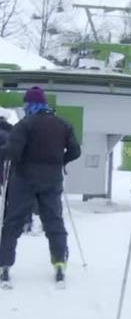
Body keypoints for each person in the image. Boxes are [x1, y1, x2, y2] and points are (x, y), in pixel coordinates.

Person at [0, 86, 80, 285]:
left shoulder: (24, 124)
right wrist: (60, 161)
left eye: (26, 103)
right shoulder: (63, 124)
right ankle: (60, 262)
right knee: (54, 221)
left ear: (30, 104)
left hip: (24, 179)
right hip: (52, 179)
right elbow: (75, 151)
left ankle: (5, 265)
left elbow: (12, 152)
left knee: (13, 222)